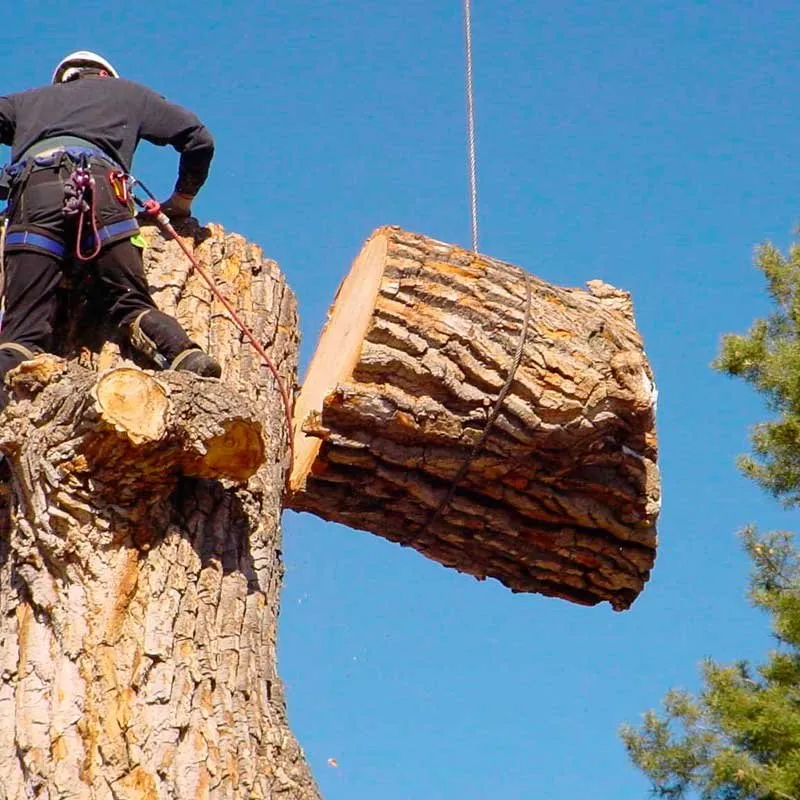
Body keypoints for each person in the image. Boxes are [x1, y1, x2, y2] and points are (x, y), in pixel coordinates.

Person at [0, 50, 221, 407]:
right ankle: (184, 356)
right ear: (106, 76)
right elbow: (199, 139)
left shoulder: (25, 102)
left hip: (33, 197)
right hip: (105, 194)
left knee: (21, 333)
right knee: (130, 304)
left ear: (64, 80)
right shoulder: (129, 93)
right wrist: (181, 200)